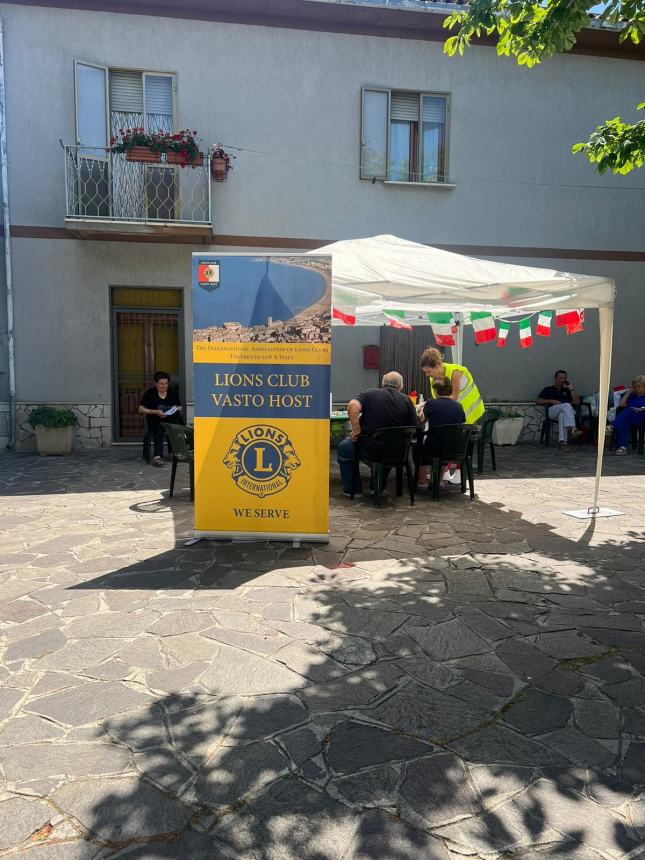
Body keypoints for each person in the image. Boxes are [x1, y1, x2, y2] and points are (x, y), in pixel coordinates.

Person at [336, 371, 417, 497]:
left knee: (344, 448)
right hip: (396, 453)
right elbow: (414, 428)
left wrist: (356, 430)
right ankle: (377, 487)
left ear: (382, 384)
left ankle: (353, 490)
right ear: (401, 387)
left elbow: (352, 406)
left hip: (370, 448)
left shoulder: (370, 394)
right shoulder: (407, 400)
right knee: (388, 449)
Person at [416, 376, 466, 492]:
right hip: (456, 447)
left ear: (436, 391)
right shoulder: (458, 405)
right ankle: (439, 481)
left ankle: (422, 482)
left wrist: (421, 410)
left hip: (435, 447)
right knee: (445, 444)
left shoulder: (431, 404)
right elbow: (462, 421)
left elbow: (422, 420)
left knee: (418, 449)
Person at [419, 347, 484, 424]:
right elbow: (438, 400)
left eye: (428, 371)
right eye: (425, 372)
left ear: (437, 366)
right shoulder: (432, 378)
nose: (427, 375)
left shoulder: (455, 372)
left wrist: (426, 404)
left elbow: (453, 398)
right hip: (458, 418)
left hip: (474, 414)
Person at [138, 371, 184, 466]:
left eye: (166, 384)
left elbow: (180, 406)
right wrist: (155, 412)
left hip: (169, 419)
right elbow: (140, 409)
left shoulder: (172, 393)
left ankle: (173, 453)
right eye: (161, 384)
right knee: (158, 428)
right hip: (155, 420)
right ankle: (157, 457)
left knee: (173, 427)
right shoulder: (150, 393)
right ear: (156, 383)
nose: (163, 386)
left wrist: (174, 409)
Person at [536, 369, 582, 451]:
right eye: (560, 378)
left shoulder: (567, 390)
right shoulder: (548, 389)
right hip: (553, 410)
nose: (562, 380)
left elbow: (577, 402)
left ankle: (563, 443)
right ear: (555, 378)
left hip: (567, 413)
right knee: (567, 405)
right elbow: (538, 401)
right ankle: (573, 428)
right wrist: (551, 401)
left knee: (562, 416)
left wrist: (571, 388)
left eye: (564, 378)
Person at [606, 375, 645, 455]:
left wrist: (643, 408)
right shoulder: (632, 396)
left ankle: (612, 427)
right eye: (635, 387)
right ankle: (622, 447)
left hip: (642, 416)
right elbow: (621, 404)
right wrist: (629, 391)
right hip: (631, 417)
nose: (637, 389)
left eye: (639, 386)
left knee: (628, 410)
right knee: (625, 421)